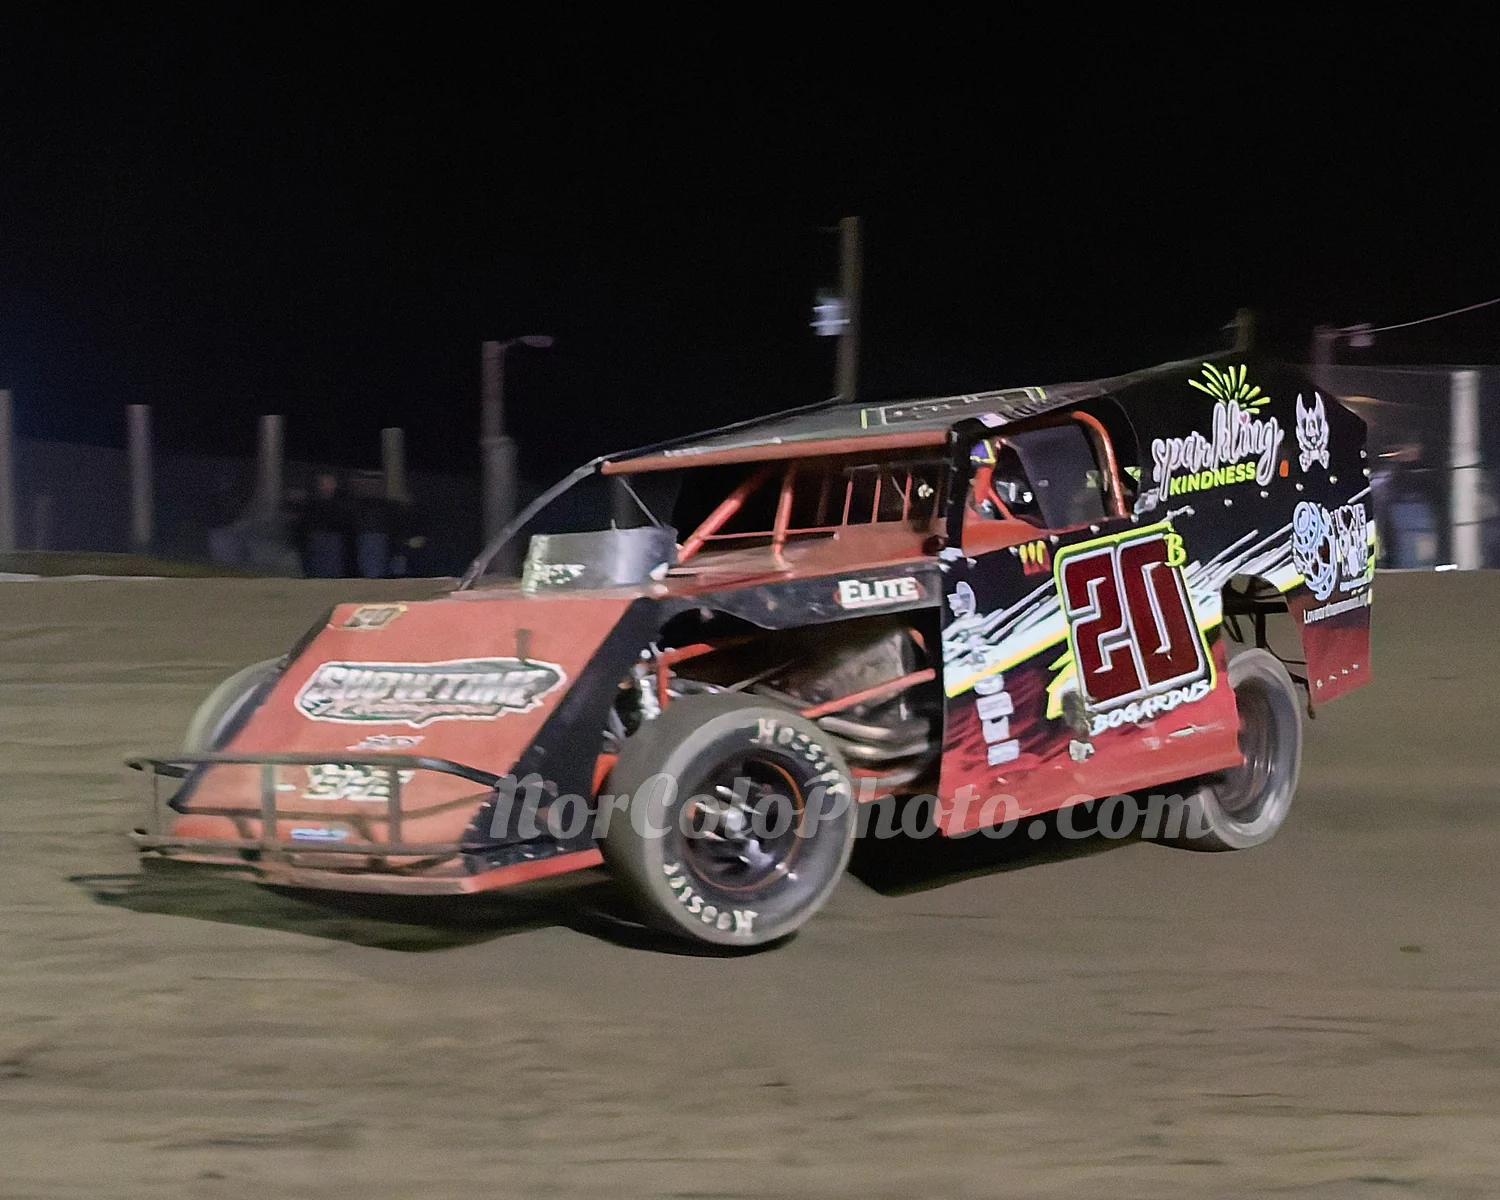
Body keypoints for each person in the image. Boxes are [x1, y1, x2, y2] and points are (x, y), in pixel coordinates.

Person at [297, 471, 352, 577]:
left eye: (330, 482)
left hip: (334, 537)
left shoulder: (341, 502)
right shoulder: (312, 502)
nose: (327, 486)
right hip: (317, 537)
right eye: (324, 483)